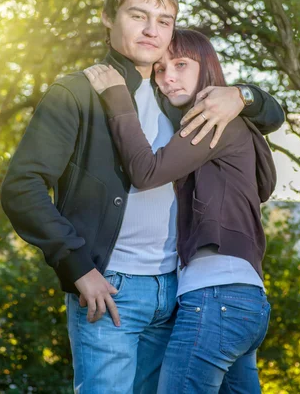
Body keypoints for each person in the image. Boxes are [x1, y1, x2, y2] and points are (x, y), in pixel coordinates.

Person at [0, 0, 283, 394]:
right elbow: (21, 187)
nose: (152, 30)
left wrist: (242, 94)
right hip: (111, 289)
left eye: (164, 20)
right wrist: (77, 266)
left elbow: (272, 117)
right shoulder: (77, 93)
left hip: (177, 293)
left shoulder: (178, 98)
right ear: (107, 17)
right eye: (138, 15)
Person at [83, 28, 276, 393]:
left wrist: (116, 98)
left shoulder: (213, 120)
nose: (168, 76)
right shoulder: (233, 124)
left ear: (207, 68)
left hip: (215, 299)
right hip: (246, 301)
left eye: (181, 64)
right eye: (159, 69)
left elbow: (147, 171)